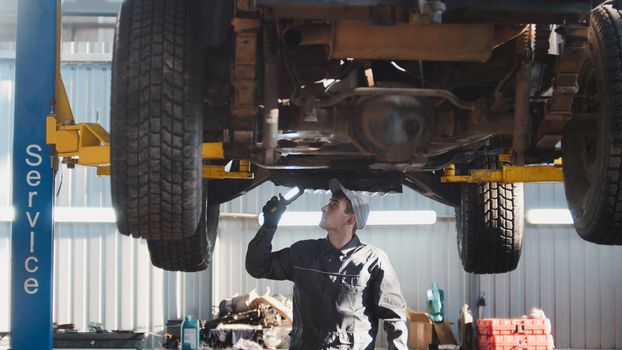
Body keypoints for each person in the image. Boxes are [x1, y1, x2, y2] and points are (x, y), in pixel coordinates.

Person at [246, 179, 408, 350]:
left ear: (351, 219)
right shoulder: (303, 253)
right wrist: (269, 226)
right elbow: (257, 266)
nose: (324, 208)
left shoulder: (373, 260)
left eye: (334, 205)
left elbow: (394, 316)